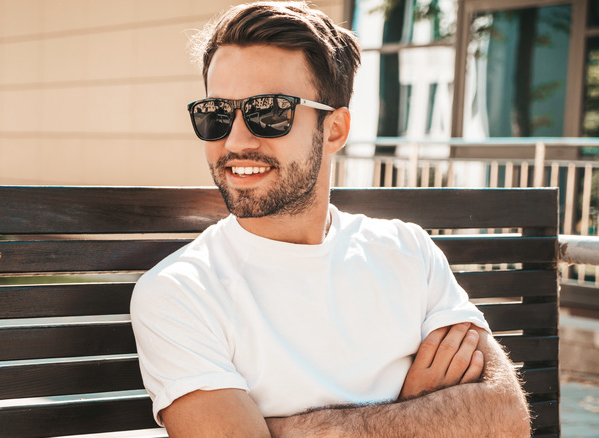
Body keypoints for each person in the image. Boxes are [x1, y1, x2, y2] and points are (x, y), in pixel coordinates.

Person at [130, 2, 530, 436]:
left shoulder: (408, 251)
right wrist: (415, 408)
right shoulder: (180, 292)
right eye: (216, 114)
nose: (235, 139)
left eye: (269, 112)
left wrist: (291, 430)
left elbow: (506, 417)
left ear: (335, 129)